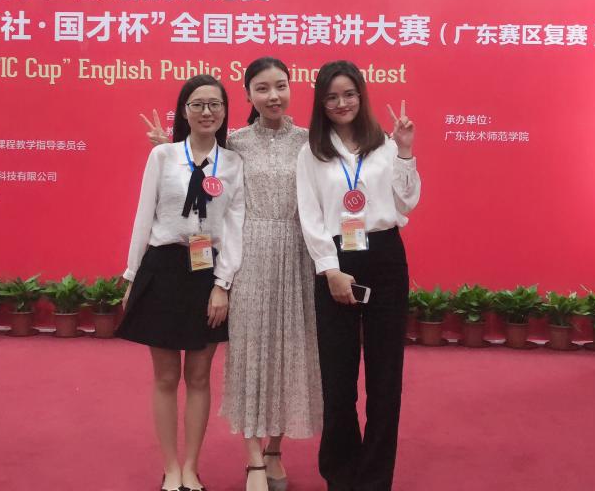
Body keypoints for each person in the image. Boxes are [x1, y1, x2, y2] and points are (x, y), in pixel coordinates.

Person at [142, 57, 322, 491]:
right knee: (248, 354)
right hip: (247, 255)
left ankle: (275, 450)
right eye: (262, 88)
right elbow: (199, 160)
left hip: (296, 254)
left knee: (290, 352)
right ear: (247, 96)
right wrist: (168, 146)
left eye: (281, 86)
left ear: (291, 87)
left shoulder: (310, 142)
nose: (273, 95)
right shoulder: (236, 143)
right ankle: (253, 457)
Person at [295, 60, 420, 491]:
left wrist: (405, 151)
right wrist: (329, 270)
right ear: (321, 103)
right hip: (336, 259)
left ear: (361, 96)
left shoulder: (385, 144)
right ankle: (341, 474)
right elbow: (310, 216)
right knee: (338, 377)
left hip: (384, 257)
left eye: (349, 94)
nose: (341, 103)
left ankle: (375, 478)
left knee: (385, 377)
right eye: (331, 97)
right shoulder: (311, 152)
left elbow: (406, 203)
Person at [118, 74, 246, 491]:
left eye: (214, 104)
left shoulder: (233, 164)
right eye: (197, 104)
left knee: (200, 376)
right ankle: (170, 468)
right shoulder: (163, 156)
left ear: (224, 111)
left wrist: (223, 284)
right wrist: (132, 276)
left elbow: (235, 227)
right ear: (184, 111)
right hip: (164, 267)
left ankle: (191, 466)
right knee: (165, 377)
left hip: (207, 272)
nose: (207, 112)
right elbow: (143, 217)